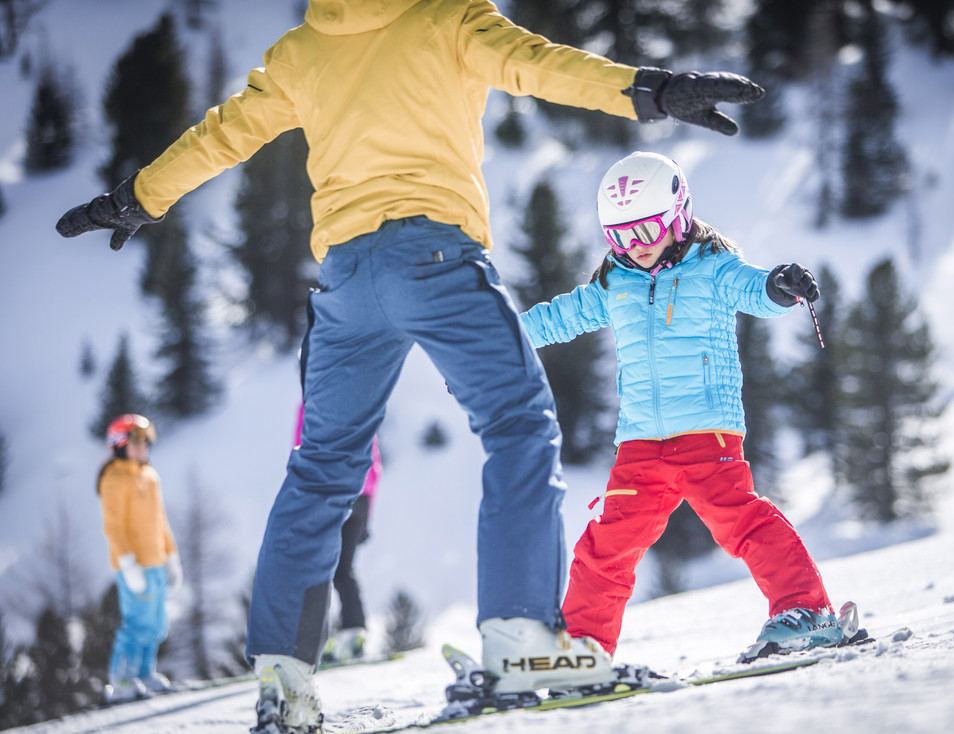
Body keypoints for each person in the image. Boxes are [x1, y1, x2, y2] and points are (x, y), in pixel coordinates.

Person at [55, 2, 766, 731]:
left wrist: (138, 197)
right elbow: (541, 64)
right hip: (435, 257)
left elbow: (225, 132)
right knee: (518, 426)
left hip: (343, 282)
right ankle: (521, 647)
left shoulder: (305, 48)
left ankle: (284, 683)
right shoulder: (446, 18)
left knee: (321, 466)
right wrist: (653, 89)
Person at [520, 152, 841, 661]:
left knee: (741, 522)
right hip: (640, 443)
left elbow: (753, 287)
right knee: (606, 546)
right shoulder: (614, 282)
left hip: (705, 431)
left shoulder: (711, 268)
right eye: (621, 236)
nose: (636, 247)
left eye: (647, 230)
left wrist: (779, 286)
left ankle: (807, 611)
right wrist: (496, 348)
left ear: (678, 215)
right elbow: (560, 317)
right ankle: (582, 648)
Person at [96, 414, 183, 704]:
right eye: (136, 442)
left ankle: (145, 674)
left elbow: (161, 521)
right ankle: (121, 681)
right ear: (119, 444)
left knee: (157, 623)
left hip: (157, 562)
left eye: (146, 442)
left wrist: (171, 556)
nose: (143, 447)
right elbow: (114, 526)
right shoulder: (115, 478)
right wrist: (127, 563)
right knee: (137, 625)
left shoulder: (149, 475)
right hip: (135, 566)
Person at [288, 404, 382, 664]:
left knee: (322, 568)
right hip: (361, 495)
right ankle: (354, 632)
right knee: (344, 570)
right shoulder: (363, 399)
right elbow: (374, 463)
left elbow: (301, 448)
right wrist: (366, 515)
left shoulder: (313, 403)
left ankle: (319, 638)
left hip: (329, 493)